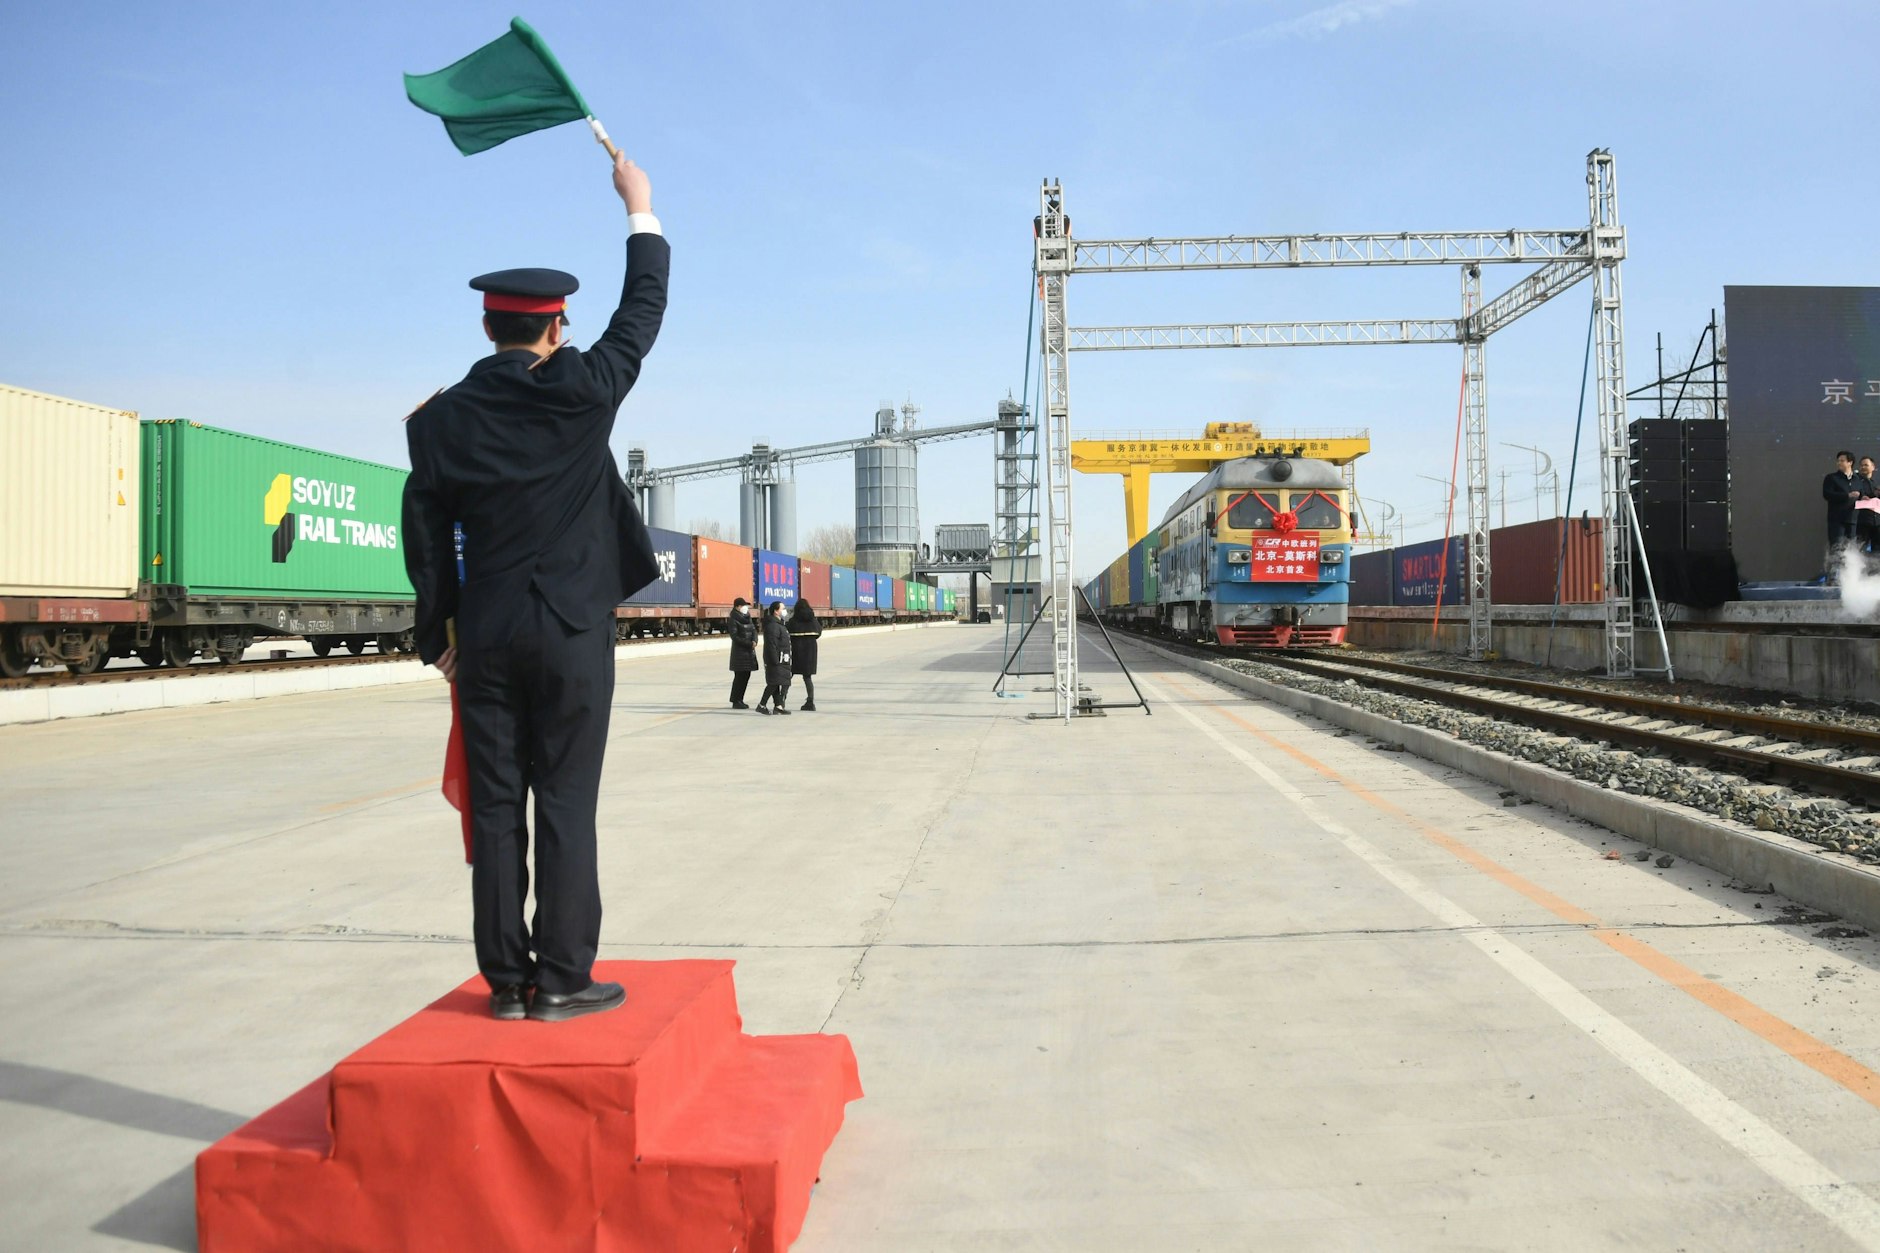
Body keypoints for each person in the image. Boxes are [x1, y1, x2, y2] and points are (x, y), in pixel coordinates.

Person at [401, 152, 669, 1023]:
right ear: (555, 328)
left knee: (495, 811)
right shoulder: (584, 393)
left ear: (489, 331)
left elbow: (427, 528)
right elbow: (642, 315)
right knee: (564, 801)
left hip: (482, 638)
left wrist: (436, 628)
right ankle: (562, 976)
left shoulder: (439, 422)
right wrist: (640, 209)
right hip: (571, 633)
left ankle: (507, 985)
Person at [1822, 450, 1861, 580]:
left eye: (1842, 460)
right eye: (1838, 460)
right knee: (1837, 547)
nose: (1839, 463)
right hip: (1836, 519)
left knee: (1850, 548)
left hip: (1852, 519)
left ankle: (1849, 578)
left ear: (1850, 462)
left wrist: (1864, 498)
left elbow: (1860, 495)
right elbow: (1827, 494)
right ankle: (1833, 578)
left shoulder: (1857, 479)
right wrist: (1846, 495)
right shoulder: (1832, 478)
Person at [756, 600, 793, 715]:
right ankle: (762, 704)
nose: (784, 611)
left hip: (782, 659)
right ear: (776, 611)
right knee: (774, 683)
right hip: (776, 660)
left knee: (778, 682)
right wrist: (775, 660)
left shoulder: (779, 624)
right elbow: (771, 645)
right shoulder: (773, 626)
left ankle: (778, 706)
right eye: (782, 608)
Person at [788, 598, 822, 711]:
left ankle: (781, 700)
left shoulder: (793, 621)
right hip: (810, 652)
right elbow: (818, 632)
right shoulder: (813, 620)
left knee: (788, 677)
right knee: (807, 678)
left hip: (796, 651)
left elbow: (787, 633)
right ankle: (810, 701)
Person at [727, 597, 757, 708]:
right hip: (739, 653)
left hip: (749, 652)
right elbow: (734, 636)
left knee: (746, 676)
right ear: (737, 607)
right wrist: (749, 644)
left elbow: (754, 630)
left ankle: (740, 699)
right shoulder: (733, 619)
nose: (746, 608)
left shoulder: (747, 617)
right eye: (743, 606)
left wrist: (754, 640)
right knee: (739, 677)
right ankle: (736, 700)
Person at [1858, 456, 1880, 555]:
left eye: (1866, 465)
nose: (1863, 467)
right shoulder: (1856, 481)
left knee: (1877, 550)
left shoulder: (1875, 483)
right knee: (1860, 549)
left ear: (1873, 467)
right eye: (1861, 465)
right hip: (1862, 521)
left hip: (1876, 522)